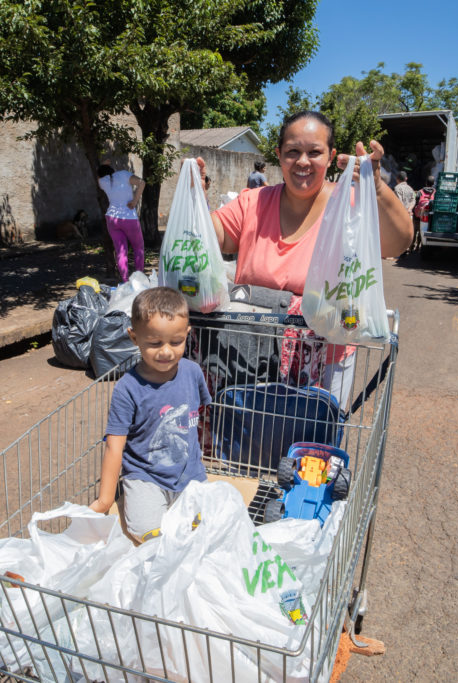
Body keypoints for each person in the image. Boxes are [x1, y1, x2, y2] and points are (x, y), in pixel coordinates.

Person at [200, 111, 412, 402]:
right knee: (248, 429)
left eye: (314, 152)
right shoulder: (252, 203)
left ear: (331, 156)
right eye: (292, 152)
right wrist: (195, 200)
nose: (302, 161)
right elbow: (210, 238)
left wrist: (375, 186)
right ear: (279, 155)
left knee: (314, 431)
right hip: (248, 358)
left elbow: (398, 242)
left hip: (326, 363)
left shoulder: (349, 205)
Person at [90, 287, 211, 543]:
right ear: (134, 337)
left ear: (187, 334)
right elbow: (114, 446)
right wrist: (104, 500)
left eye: (176, 342)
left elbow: (198, 415)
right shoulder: (127, 388)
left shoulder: (193, 372)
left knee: (207, 524)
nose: (166, 351)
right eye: (155, 343)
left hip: (189, 472)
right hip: (145, 476)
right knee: (146, 531)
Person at [97, 162, 145, 282]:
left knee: (121, 251)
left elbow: (100, 173)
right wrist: (134, 201)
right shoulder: (123, 174)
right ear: (112, 169)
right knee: (138, 248)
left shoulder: (102, 182)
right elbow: (142, 183)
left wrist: (103, 166)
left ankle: (125, 281)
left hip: (112, 219)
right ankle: (140, 280)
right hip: (129, 218)